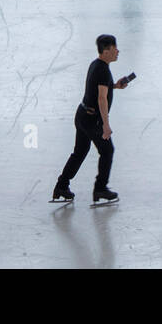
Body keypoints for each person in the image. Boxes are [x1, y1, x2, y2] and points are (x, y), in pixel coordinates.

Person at [51, 34, 132, 205]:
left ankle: (61, 185)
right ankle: (100, 188)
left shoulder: (97, 65)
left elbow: (98, 89)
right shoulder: (102, 70)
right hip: (91, 119)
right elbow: (101, 99)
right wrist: (106, 125)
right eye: (114, 48)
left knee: (79, 152)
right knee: (107, 151)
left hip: (82, 114)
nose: (118, 51)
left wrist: (115, 85)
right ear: (106, 50)